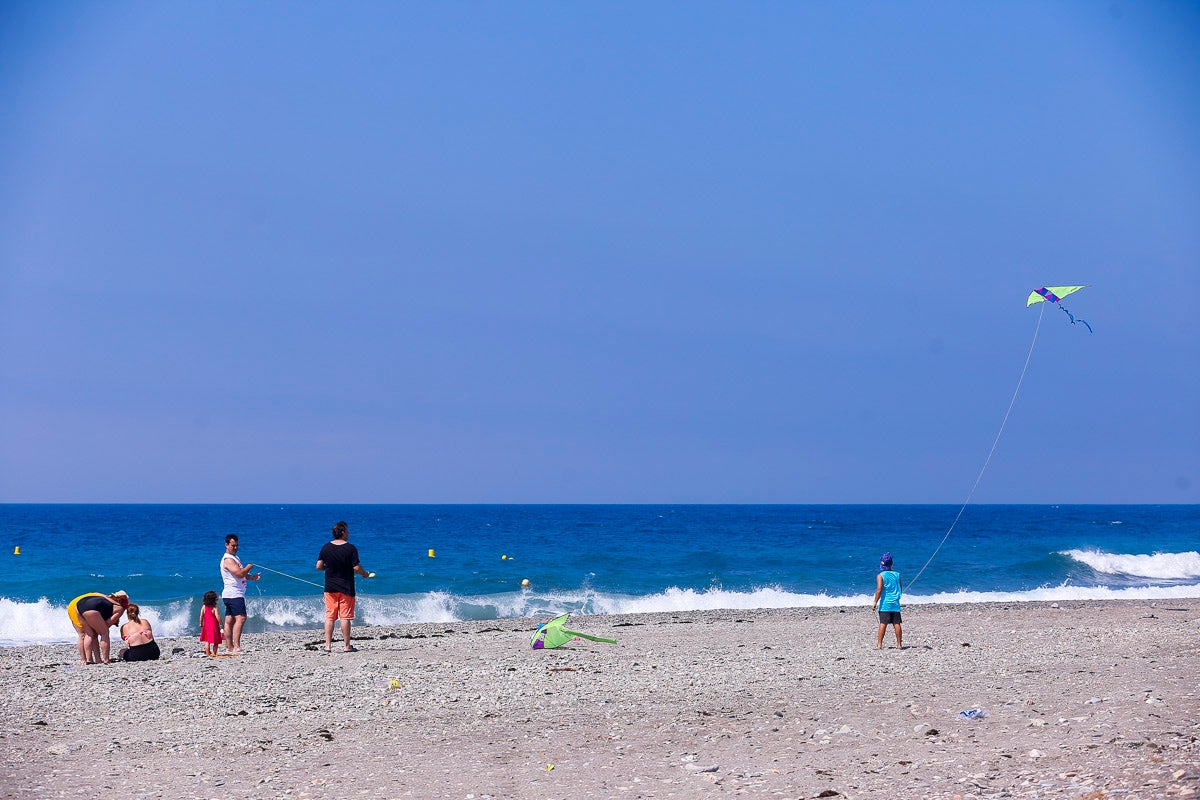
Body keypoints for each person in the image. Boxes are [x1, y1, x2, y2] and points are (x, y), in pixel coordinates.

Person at [315, 520, 372, 653]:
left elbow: (318, 566)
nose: (349, 532)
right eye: (347, 530)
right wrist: (364, 574)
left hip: (330, 587)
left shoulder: (326, 547)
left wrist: (329, 567)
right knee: (345, 617)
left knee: (330, 616)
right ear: (342, 532)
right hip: (346, 587)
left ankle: (327, 646)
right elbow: (356, 567)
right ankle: (347, 646)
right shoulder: (350, 548)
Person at [220, 534, 260, 654]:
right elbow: (239, 573)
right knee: (241, 618)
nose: (235, 547)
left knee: (230, 619)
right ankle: (235, 646)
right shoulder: (228, 559)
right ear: (226, 545)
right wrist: (248, 567)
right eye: (233, 545)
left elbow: (242, 575)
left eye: (237, 545)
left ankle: (230, 646)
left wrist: (252, 577)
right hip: (234, 594)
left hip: (232, 594)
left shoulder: (234, 558)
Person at [67, 591, 129, 664]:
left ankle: (87, 660)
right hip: (90, 608)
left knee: (88, 634)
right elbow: (107, 624)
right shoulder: (120, 607)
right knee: (104, 633)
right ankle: (106, 660)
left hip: (77, 606)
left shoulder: (106, 598)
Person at [872, 552, 903, 650]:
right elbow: (900, 588)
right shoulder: (898, 575)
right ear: (892, 563)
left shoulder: (880, 575)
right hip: (895, 603)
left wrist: (875, 602)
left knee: (883, 623)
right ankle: (899, 644)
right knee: (896, 623)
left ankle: (879, 645)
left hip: (885, 604)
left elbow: (879, 589)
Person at [199, 590, 224, 656]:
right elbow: (217, 616)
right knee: (216, 642)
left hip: (206, 626)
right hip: (214, 626)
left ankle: (208, 653)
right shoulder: (214, 608)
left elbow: (201, 615)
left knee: (207, 641)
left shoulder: (204, 607)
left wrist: (201, 623)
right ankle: (214, 653)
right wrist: (221, 623)